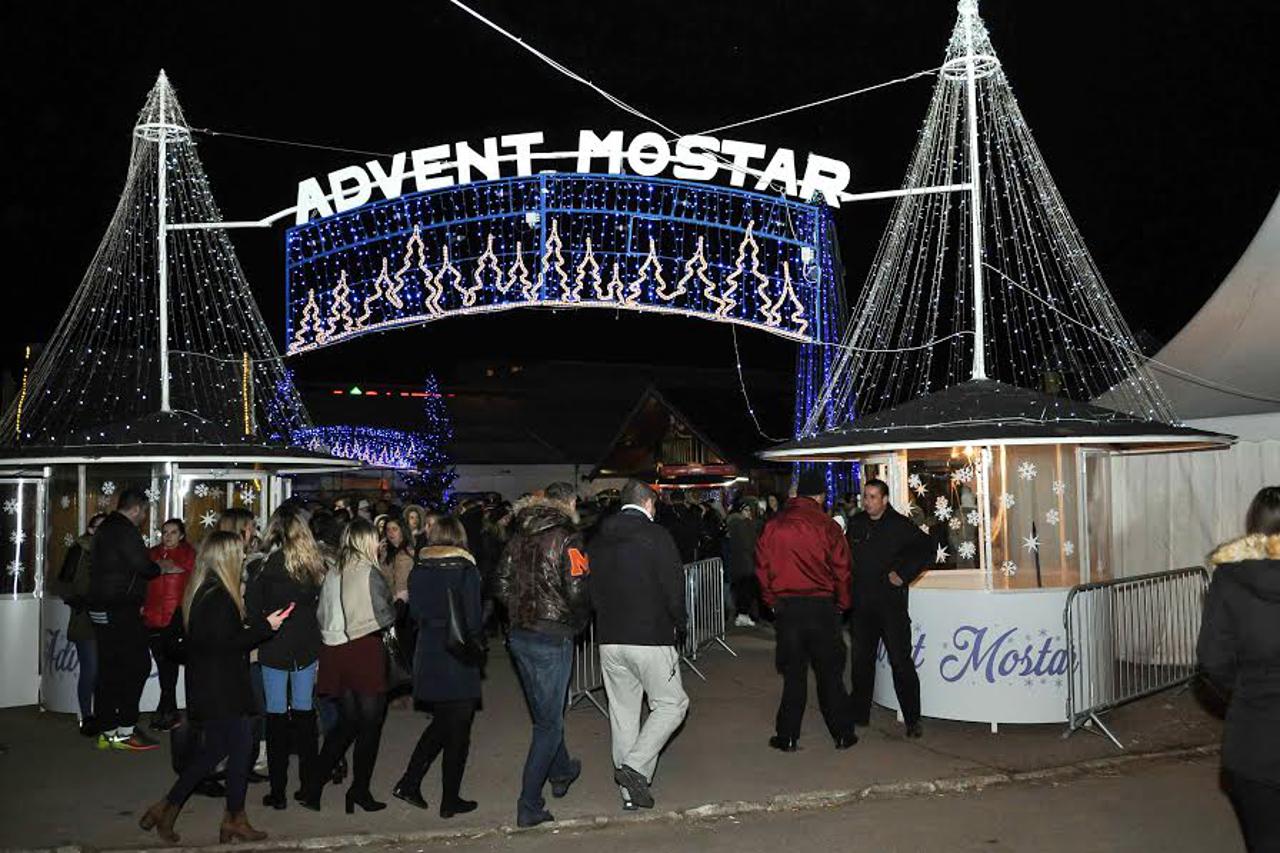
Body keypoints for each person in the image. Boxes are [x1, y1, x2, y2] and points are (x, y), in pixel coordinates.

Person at [138, 531, 294, 845]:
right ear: (225, 558)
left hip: (208, 685)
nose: (243, 557)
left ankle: (167, 807)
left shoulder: (200, 590)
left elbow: (200, 642)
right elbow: (227, 644)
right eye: (238, 552)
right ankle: (234, 819)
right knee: (239, 750)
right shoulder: (219, 596)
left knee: (215, 751)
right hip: (223, 688)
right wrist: (266, 628)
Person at [494, 482, 591, 828]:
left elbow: (500, 584)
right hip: (552, 635)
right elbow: (578, 589)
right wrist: (577, 623)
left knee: (545, 711)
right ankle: (529, 803)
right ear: (570, 503)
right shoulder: (568, 538)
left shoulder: (518, 536)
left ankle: (561, 770)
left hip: (521, 635)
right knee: (548, 724)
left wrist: (521, 611)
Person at [589, 479, 689, 811]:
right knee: (672, 705)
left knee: (623, 715)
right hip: (651, 635)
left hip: (610, 637)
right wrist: (681, 623)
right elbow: (673, 586)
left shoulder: (598, 539)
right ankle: (634, 767)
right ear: (648, 503)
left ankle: (631, 794)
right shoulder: (657, 536)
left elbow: (591, 588)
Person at [1198, 485, 1280, 852]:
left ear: (1252, 527)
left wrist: (1245, 689)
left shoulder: (1229, 580)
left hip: (1254, 739)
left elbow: (1213, 659)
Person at [755, 469, 856, 751]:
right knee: (830, 675)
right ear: (820, 495)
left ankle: (787, 736)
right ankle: (842, 734)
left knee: (794, 676)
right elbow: (843, 570)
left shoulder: (774, 526)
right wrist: (842, 604)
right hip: (822, 607)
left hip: (788, 608)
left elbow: (762, 568)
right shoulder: (828, 527)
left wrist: (771, 602)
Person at [300, 518, 395, 813]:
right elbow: (385, 615)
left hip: (335, 650)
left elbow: (320, 614)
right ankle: (359, 790)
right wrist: (400, 604)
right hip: (363, 648)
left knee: (347, 723)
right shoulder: (368, 571)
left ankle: (313, 785)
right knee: (370, 726)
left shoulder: (333, 571)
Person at [393, 515, 484, 818]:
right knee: (458, 730)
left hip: (429, 650)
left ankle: (409, 783)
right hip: (456, 653)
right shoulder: (466, 570)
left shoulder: (419, 569)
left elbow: (414, 613)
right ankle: (448, 799)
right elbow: (473, 620)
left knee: (444, 723)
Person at [89, 488, 182, 751]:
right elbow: (142, 566)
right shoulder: (125, 530)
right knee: (137, 665)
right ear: (137, 508)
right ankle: (126, 729)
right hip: (121, 608)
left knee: (109, 668)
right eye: (144, 512)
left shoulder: (105, 528)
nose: (144, 517)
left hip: (101, 606)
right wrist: (160, 567)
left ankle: (108, 730)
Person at [246, 509, 325, 810]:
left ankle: (278, 792)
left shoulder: (262, 569)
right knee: (305, 716)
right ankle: (308, 787)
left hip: (274, 647)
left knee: (276, 718)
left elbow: (253, 611)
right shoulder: (313, 569)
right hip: (305, 647)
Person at [845, 478, 934, 738]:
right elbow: (845, 557)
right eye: (865, 496)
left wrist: (904, 574)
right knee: (861, 662)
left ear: (884, 500)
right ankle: (859, 714)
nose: (867, 501)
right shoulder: (857, 523)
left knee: (900, 662)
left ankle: (912, 720)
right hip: (862, 605)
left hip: (890, 607)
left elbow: (926, 549)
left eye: (873, 497)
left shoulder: (900, 525)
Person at [50, 513, 106, 736]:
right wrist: (78, 601)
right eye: (99, 527)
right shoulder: (79, 550)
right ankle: (87, 715)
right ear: (90, 530)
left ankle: (101, 714)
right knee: (91, 668)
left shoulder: (112, 550)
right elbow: (61, 584)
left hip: (108, 617)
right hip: (85, 618)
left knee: (103, 669)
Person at [144, 518, 196, 731]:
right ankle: (168, 709)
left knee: (169, 667)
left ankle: (167, 710)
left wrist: (165, 567)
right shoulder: (151, 553)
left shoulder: (189, 553)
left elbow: (184, 571)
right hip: (152, 618)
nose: (168, 536)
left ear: (181, 535)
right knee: (164, 666)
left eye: (173, 532)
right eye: (165, 532)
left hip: (176, 619)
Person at [725, 499, 760, 627]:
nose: (748, 512)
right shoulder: (744, 524)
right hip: (746, 563)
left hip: (737, 563)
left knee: (740, 590)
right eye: (746, 510)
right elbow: (749, 544)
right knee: (746, 590)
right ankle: (743, 615)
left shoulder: (733, 523)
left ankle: (741, 614)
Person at [379, 516, 414, 602]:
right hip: (390, 598)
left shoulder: (409, 552)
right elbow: (384, 577)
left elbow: (403, 582)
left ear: (402, 531)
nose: (390, 533)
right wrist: (382, 556)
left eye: (394, 529)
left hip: (404, 600)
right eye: (388, 530)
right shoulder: (386, 552)